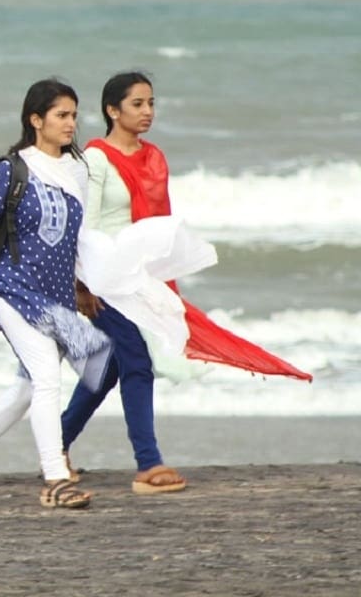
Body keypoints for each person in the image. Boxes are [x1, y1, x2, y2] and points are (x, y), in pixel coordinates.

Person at [61, 71, 312, 493]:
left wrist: (162, 282)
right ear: (112, 110)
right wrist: (80, 287)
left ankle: (55, 444)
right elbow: (83, 227)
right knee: (137, 360)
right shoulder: (96, 159)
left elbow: (159, 225)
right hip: (102, 279)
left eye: (151, 103)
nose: (147, 111)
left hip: (140, 277)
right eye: (137, 104)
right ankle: (148, 464)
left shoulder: (154, 157)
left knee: (110, 369)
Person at [0, 78, 111, 510]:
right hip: (14, 290)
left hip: (57, 298)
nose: (70, 123)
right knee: (47, 379)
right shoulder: (11, 168)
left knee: (29, 386)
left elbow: (75, 239)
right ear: (36, 120)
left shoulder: (77, 170)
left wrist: (81, 288)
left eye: (74, 115)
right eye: (61, 115)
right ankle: (56, 478)